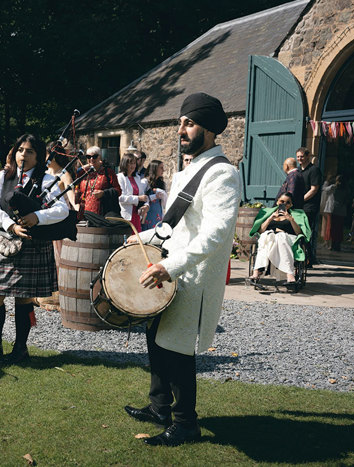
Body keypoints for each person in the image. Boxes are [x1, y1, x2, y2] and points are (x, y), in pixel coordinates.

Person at [124, 92, 240, 446]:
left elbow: (216, 234)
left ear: (208, 129)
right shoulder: (191, 169)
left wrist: (170, 266)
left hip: (189, 276)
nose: (181, 130)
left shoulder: (223, 174)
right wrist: (141, 238)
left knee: (177, 349)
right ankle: (159, 406)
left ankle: (185, 423)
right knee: (157, 339)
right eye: (180, 123)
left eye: (189, 123)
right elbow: (174, 225)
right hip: (170, 272)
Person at [0, 134, 69, 364]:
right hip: (4, 239)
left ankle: (20, 348)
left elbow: (62, 209)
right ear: (14, 152)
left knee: (24, 298)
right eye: (20, 150)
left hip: (32, 243)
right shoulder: (3, 176)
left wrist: (37, 217)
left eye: (29, 151)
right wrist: (10, 225)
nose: (23, 155)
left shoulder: (47, 179)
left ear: (38, 156)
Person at [248, 192, 310, 289]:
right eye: (282, 201)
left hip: (288, 239)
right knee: (265, 236)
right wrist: (270, 218)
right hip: (270, 238)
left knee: (281, 236)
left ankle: (289, 274)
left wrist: (291, 220)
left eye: (287, 202)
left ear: (291, 205)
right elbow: (260, 231)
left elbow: (298, 233)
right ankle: (256, 271)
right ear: (277, 202)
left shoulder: (295, 215)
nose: (284, 204)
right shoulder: (269, 213)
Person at [76, 146, 121, 219]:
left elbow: (118, 191)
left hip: (102, 214)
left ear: (100, 157)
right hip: (84, 214)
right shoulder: (82, 173)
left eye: (94, 156)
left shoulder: (108, 172)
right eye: (88, 157)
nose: (91, 159)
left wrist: (104, 193)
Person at [297, 147, 322, 265]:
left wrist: (300, 200)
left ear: (307, 156)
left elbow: (314, 189)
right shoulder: (298, 170)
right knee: (298, 231)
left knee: (305, 232)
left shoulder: (314, 170)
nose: (299, 159)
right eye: (297, 157)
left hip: (309, 207)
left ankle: (309, 259)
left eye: (301, 156)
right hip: (299, 206)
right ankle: (307, 258)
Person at [116, 150, 148, 232]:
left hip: (137, 215)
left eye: (134, 163)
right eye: (129, 163)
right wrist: (138, 199)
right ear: (124, 164)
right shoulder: (120, 177)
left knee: (137, 240)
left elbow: (143, 195)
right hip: (126, 215)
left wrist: (146, 205)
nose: (132, 165)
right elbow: (120, 198)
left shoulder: (137, 177)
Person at [140, 158, 168, 231]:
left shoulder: (161, 183)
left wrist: (162, 194)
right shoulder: (145, 182)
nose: (163, 170)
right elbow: (141, 199)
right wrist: (154, 196)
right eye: (161, 168)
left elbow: (165, 202)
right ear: (155, 169)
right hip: (148, 214)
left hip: (158, 214)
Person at [329, 175, 347, 252]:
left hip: (336, 209)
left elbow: (326, 190)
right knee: (339, 229)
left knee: (334, 228)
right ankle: (337, 245)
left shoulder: (335, 188)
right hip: (341, 210)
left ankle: (333, 245)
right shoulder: (345, 189)